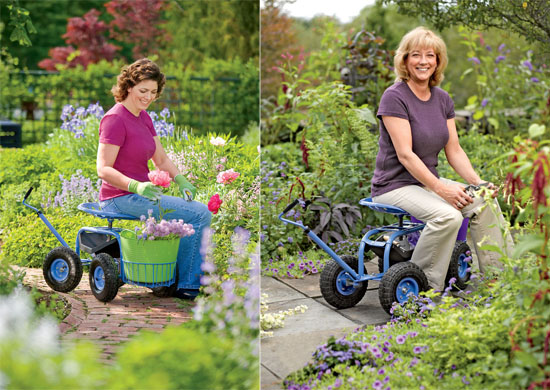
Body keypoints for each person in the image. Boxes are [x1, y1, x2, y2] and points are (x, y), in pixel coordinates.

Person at [371, 27, 513, 292]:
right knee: (448, 216)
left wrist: (478, 182)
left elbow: (454, 150)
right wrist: (441, 188)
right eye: (416, 55)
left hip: (425, 184)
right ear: (405, 60)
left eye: (430, 55)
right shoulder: (395, 97)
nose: (423, 61)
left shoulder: (442, 99)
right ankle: (421, 289)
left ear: (438, 61)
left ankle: (501, 279)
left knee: (484, 202)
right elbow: (405, 154)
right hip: (394, 185)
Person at [97, 58, 211, 298]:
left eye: (153, 92)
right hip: (120, 196)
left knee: (193, 212)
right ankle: (188, 285)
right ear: (128, 87)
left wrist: (181, 180)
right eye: (143, 90)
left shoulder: (143, 117)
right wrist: (135, 185)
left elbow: (160, 158)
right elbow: (103, 169)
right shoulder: (115, 119)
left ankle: (175, 277)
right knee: (200, 214)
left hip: (141, 194)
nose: (148, 97)